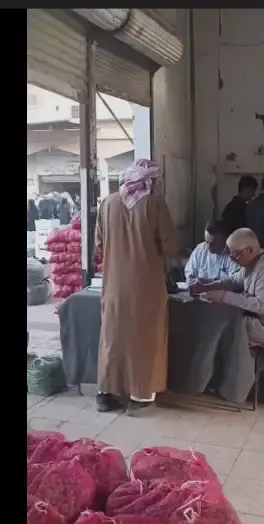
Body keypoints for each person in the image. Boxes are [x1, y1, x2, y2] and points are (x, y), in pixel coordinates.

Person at [95, 158, 179, 416]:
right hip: (146, 289)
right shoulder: (154, 204)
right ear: (150, 181)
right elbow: (171, 246)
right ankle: (140, 397)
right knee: (144, 341)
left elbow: (99, 244)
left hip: (113, 288)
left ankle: (105, 394)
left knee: (113, 339)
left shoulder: (108, 203)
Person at [189, 228, 264, 374]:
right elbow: (234, 280)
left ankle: (235, 378)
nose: (230, 258)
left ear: (249, 250)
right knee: (225, 320)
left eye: (234, 253)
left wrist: (224, 296)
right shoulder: (254, 260)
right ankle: (245, 373)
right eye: (228, 252)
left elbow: (263, 306)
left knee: (225, 327)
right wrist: (207, 285)